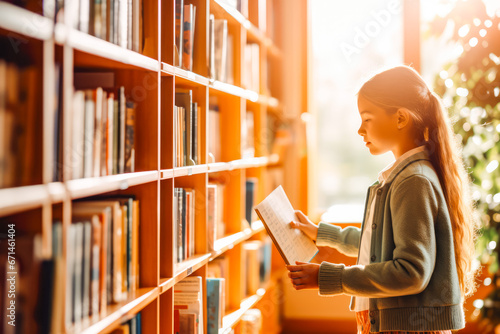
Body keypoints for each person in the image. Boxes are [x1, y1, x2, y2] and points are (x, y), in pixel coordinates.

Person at [286, 65, 478, 334]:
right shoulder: (403, 176)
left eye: (367, 119)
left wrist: (329, 277)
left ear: (400, 118)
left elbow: (410, 272)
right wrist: (323, 234)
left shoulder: (413, 182)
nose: (360, 130)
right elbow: (377, 246)